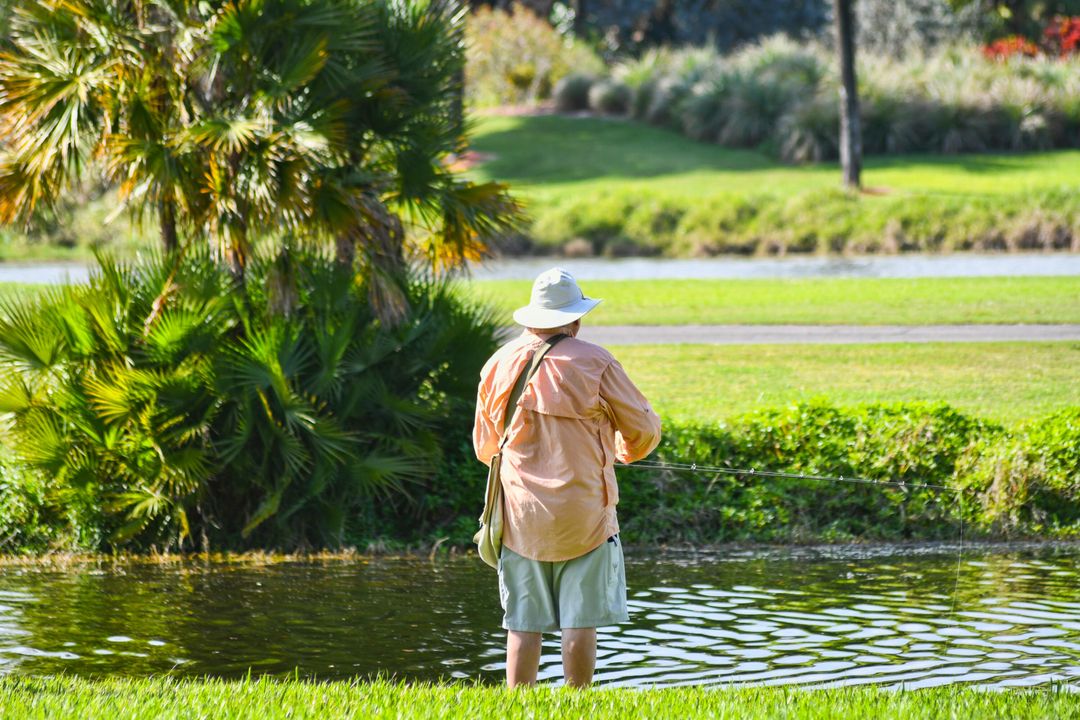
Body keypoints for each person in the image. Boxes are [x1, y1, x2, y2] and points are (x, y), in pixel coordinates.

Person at [472, 267, 662, 688]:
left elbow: (485, 448)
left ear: (531, 318)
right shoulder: (595, 361)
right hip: (585, 512)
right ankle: (578, 704)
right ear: (575, 319)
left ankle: (518, 706)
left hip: (519, 513)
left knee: (523, 621)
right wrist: (624, 453)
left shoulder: (498, 362)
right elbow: (644, 429)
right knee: (581, 619)